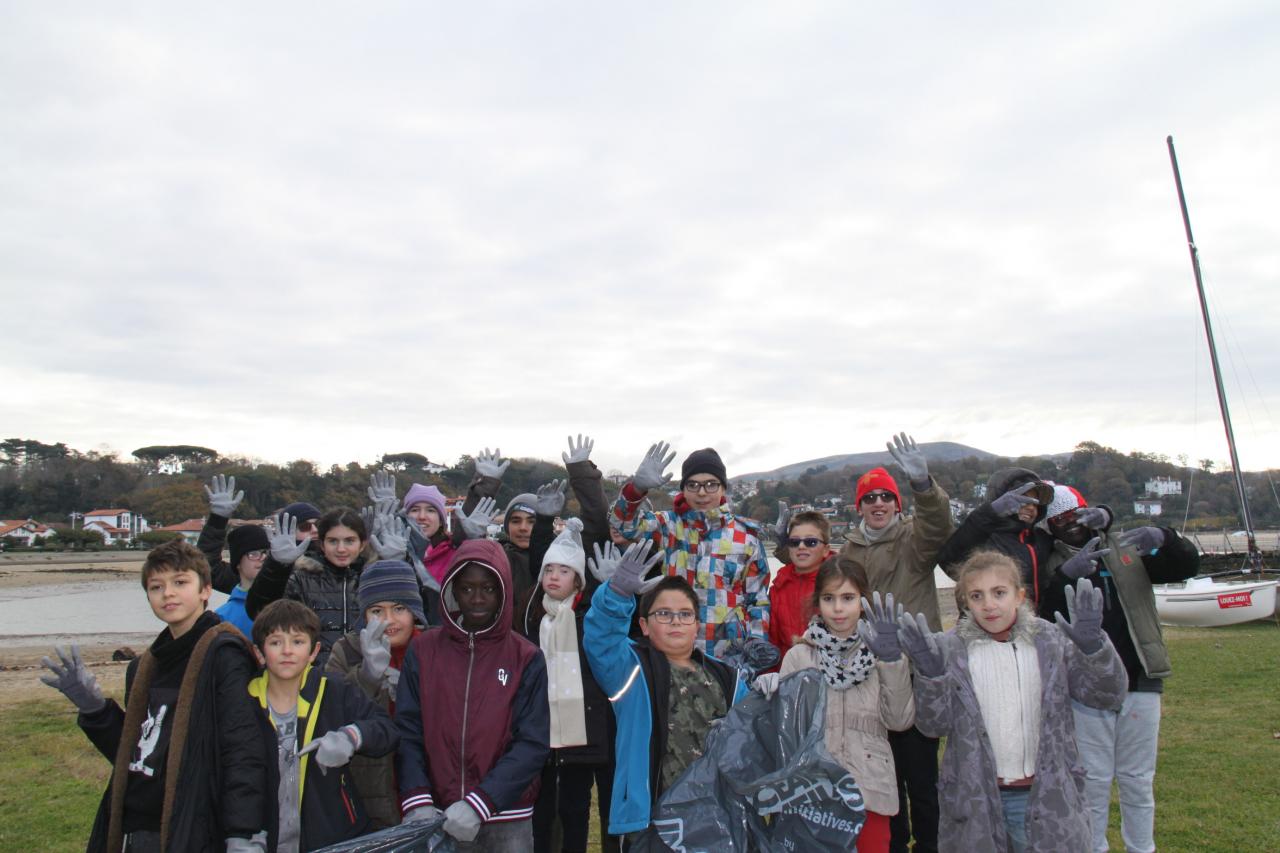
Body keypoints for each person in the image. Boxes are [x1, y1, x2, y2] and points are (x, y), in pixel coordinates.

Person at [41, 538, 267, 852]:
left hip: (191, 824)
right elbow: (137, 756)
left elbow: (243, 747)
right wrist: (95, 710)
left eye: (180, 582)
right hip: (132, 827)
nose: (168, 593)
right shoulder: (144, 666)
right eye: (156, 587)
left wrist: (243, 831)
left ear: (205, 590)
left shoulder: (224, 654)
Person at [899, 550, 1127, 853]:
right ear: (965, 601)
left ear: (1019, 596)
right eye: (977, 596)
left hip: (1045, 796)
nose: (989, 604)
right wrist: (930, 675)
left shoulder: (1050, 640)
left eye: (999, 593)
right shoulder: (950, 649)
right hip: (976, 799)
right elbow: (932, 726)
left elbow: (1107, 694)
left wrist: (1093, 647)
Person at [1038, 484, 1200, 853]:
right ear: (1049, 526)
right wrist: (1064, 576)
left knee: (1138, 780)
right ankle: (1093, 847)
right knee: (1092, 780)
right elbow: (1045, 620)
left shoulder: (1128, 545)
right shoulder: (1046, 561)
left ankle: (1142, 848)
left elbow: (1186, 566)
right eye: (1059, 518)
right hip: (1086, 687)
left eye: (1077, 513)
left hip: (1140, 678)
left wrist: (1166, 537)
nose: (1071, 523)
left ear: (1090, 511)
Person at [827, 433, 954, 853]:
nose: (878, 504)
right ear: (859, 506)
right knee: (884, 778)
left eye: (886, 497)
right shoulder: (848, 550)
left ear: (896, 504)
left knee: (922, 779)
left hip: (915, 673)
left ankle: (931, 845)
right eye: (870, 498)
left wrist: (923, 485)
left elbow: (939, 526)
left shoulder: (914, 540)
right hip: (870, 679)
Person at [584, 541, 748, 841]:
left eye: (685, 614)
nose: (675, 621)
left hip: (717, 819)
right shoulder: (630, 670)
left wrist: (770, 691)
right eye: (664, 614)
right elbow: (601, 638)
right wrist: (617, 594)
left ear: (697, 625)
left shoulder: (729, 678)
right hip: (652, 823)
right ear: (644, 626)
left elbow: (752, 741)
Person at [395, 539, 550, 850]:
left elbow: (532, 742)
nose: (477, 599)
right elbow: (408, 729)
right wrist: (417, 797)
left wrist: (482, 801)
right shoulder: (424, 650)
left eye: (489, 589)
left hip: (507, 815)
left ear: (503, 591)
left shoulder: (526, 657)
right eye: (466, 589)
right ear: (453, 590)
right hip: (436, 812)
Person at [756, 560, 915, 853]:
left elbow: (899, 720)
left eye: (848, 598)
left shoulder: (881, 654)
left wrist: (892, 664)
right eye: (829, 599)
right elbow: (787, 729)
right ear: (817, 603)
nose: (838, 608)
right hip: (812, 792)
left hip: (869, 787)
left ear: (863, 600)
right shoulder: (799, 656)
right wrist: (770, 698)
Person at [247, 599, 398, 851]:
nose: (287, 651)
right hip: (264, 837)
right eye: (275, 642)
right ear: (259, 653)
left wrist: (351, 737)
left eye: (297, 641)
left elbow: (386, 730)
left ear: (314, 651)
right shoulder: (245, 700)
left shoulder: (334, 689)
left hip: (331, 835)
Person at [610, 442, 770, 655]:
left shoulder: (746, 536)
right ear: (683, 489)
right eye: (693, 485)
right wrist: (636, 489)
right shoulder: (667, 525)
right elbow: (624, 525)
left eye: (711, 484)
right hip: (671, 648)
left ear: (723, 488)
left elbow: (758, 600)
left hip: (728, 654)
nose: (702, 493)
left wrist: (754, 650)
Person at [515, 519, 615, 853]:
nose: (554, 577)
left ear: (578, 580)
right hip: (540, 733)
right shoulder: (532, 618)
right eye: (549, 570)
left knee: (575, 809)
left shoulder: (589, 618)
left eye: (564, 570)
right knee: (540, 812)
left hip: (582, 734)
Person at [324, 559, 429, 830]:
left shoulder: (434, 649)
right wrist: (367, 676)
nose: (389, 621)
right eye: (376, 610)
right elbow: (331, 711)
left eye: (399, 608)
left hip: (427, 788)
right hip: (368, 791)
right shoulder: (345, 651)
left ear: (415, 611)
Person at [247, 508, 369, 663]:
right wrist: (277, 566)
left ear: (362, 544)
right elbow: (261, 611)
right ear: (322, 544)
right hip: (312, 675)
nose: (341, 549)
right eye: (333, 541)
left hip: (363, 675)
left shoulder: (370, 580)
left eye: (349, 541)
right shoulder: (301, 579)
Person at [936, 466, 1055, 607]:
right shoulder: (984, 537)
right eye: (1023, 500)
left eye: (1035, 504)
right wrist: (992, 512)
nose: (1031, 507)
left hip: (1032, 625)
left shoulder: (1040, 539)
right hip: (986, 625)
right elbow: (950, 562)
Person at [766, 510, 835, 660]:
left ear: (825, 550)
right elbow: (773, 642)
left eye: (810, 542)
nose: (801, 546)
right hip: (788, 673)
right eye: (794, 542)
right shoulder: (778, 588)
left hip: (831, 675)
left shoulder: (839, 585)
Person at [212, 525, 271, 637]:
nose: (263, 557)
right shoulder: (222, 617)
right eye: (254, 553)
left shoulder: (285, 603)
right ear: (238, 563)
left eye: (266, 552)